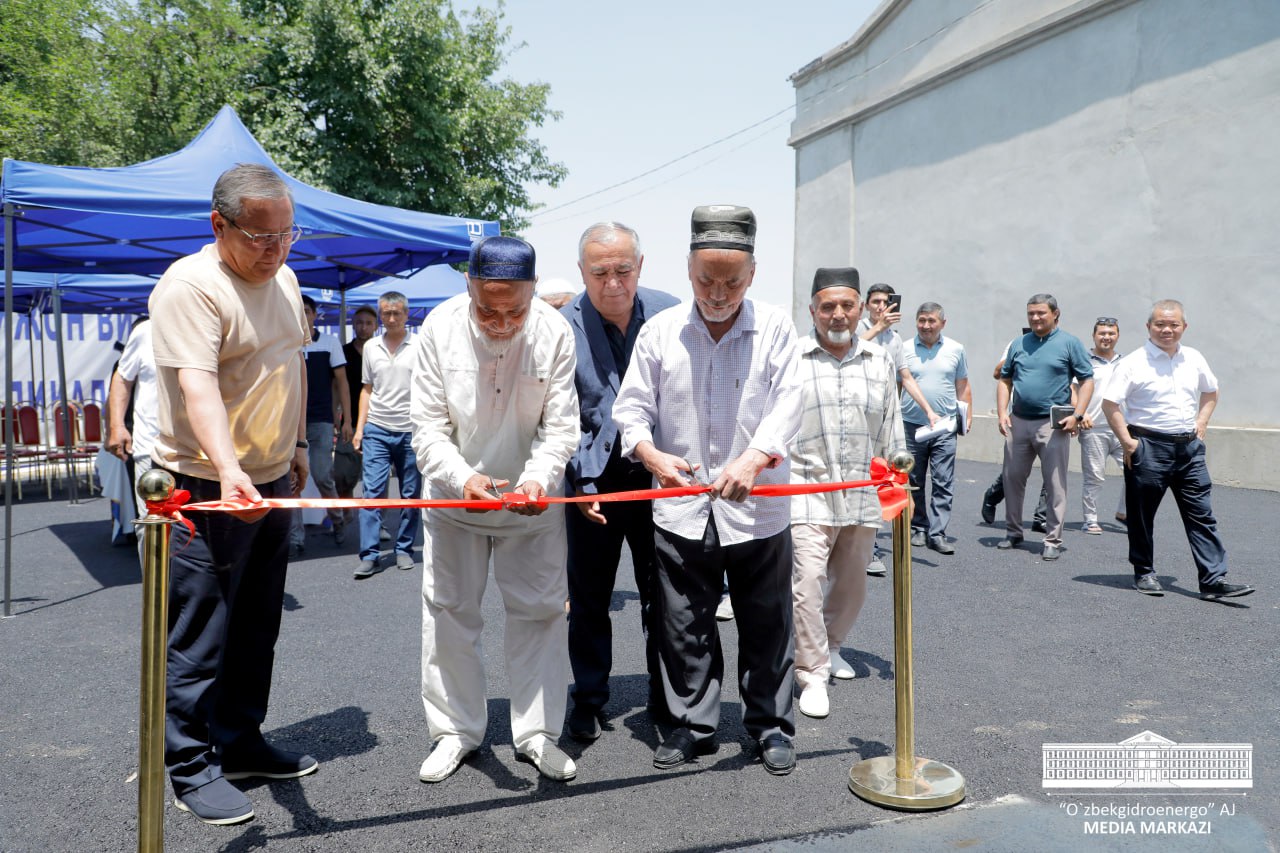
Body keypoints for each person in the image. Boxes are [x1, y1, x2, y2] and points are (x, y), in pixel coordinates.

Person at [148, 163, 315, 826]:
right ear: (217, 225)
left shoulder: (285, 277)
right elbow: (198, 387)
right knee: (200, 630)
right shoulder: (190, 287)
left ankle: (241, 739)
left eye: (285, 236)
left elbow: (289, 363)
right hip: (203, 483)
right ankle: (189, 764)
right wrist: (228, 470)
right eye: (258, 237)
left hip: (270, 477)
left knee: (256, 623)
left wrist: (297, 447)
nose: (274, 250)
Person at [613, 204, 803, 776]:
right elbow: (632, 410)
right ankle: (692, 726)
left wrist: (753, 457)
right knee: (684, 624)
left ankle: (770, 726)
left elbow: (790, 402)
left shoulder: (773, 327)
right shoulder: (661, 330)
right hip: (680, 507)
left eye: (732, 282)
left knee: (767, 621)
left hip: (759, 507)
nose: (718, 293)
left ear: (753, 275)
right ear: (687, 270)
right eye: (705, 280)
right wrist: (649, 454)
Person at [411, 235, 581, 784]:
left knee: (542, 615)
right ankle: (455, 732)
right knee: (450, 615)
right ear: (468, 286)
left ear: (533, 292)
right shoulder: (438, 327)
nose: (502, 322)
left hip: (532, 505)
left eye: (515, 309)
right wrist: (463, 478)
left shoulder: (554, 332)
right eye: (488, 309)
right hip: (454, 499)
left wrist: (536, 480)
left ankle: (536, 733)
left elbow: (561, 428)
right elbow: (427, 429)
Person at [561, 222, 679, 742]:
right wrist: (580, 483)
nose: (613, 283)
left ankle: (665, 695)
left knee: (665, 596)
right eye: (600, 272)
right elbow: (556, 417)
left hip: (660, 477)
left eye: (623, 270)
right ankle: (588, 697)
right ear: (582, 272)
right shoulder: (561, 325)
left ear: (641, 266)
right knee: (589, 599)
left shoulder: (672, 313)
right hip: (593, 481)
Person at [790, 267, 903, 719]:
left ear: (861, 309)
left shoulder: (879, 360)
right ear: (812, 309)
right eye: (827, 306)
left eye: (847, 306)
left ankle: (834, 645)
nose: (837, 314)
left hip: (863, 486)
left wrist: (899, 473)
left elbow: (892, 424)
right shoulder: (792, 358)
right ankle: (812, 673)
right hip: (807, 485)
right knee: (808, 581)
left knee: (853, 581)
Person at [1101, 300, 1255, 601]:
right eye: (1160, 324)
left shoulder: (1194, 358)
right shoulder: (1133, 362)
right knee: (1142, 516)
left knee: (1202, 515)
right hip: (1148, 447)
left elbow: (1211, 390)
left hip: (1189, 450)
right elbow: (1110, 403)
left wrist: (1202, 422)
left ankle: (1212, 580)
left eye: (1173, 324)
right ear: (1149, 327)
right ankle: (1144, 571)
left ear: (1184, 326)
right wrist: (1128, 442)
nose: (1167, 330)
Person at [995, 294, 1093, 560]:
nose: (1036, 318)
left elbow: (1086, 381)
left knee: (1055, 483)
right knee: (1012, 479)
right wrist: (1002, 412)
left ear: (1055, 314)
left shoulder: (1070, 343)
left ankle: (1052, 539)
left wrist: (1078, 414)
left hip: (1053, 425)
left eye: (1041, 313)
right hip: (1018, 422)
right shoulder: (1019, 343)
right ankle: (1013, 532)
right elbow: (1005, 380)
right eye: (1031, 314)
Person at [857, 282, 939, 574]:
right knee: (855, 480)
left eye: (886, 302)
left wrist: (929, 410)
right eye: (876, 301)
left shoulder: (895, 339)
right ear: (866, 305)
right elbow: (851, 350)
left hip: (885, 417)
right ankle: (853, 547)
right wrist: (877, 327)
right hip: (856, 418)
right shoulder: (858, 329)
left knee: (883, 479)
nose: (882, 307)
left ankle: (871, 547)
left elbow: (906, 377)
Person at [352, 292, 421, 578]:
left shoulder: (419, 345)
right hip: (377, 428)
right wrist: (359, 429)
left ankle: (404, 548)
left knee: (410, 493)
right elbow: (366, 389)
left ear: (406, 315)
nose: (391, 319)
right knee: (372, 493)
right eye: (386, 313)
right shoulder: (371, 347)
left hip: (411, 428)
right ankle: (369, 554)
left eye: (396, 313)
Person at [902, 302, 971, 554]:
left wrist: (967, 415)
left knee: (943, 480)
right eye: (922, 320)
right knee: (914, 479)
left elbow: (962, 384)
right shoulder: (904, 348)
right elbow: (899, 385)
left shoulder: (956, 349)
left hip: (944, 426)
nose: (926, 325)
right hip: (911, 425)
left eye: (931, 321)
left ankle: (938, 533)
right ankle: (919, 526)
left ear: (943, 322)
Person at [288, 294, 352, 553]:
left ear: (315, 315)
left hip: (321, 421)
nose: (303, 316)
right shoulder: (286, 344)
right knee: (291, 481)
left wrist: (346, 419)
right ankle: (296, 537)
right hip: (290, 423)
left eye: (306, 311)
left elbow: (342, 382)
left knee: (323, 476)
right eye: (298, 311)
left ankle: (337, 521)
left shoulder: (329, 343)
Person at [1078, 317, 1126, 534]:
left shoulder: (1125, 363)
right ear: (1094, 336)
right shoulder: (1083, 361)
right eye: (1102, 333)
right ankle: (1090, 519)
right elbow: (1071, 389)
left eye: (1111, 333)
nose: (1106, 337)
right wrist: (1081, 413)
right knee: (1095, 476)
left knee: (1136, 472)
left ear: (1117, 336)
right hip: (1093, 428)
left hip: (1122, 428)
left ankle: (1124, 513)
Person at [106, 317, 157, 518]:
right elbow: (121, 380)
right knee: (152, 526)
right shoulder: (146, 331)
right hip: (149, 445)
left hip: (203, 454)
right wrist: (115, 427)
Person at [334, 305, 379, 522]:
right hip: (348, 421)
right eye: (359, 322)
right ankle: (347, 511)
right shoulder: (343, 351)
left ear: (376, 326)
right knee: (343, 473)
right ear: (353, 325)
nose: (363, 327)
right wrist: (339, 416)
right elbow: (335, 386)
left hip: (379, 421)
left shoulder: (382, 352)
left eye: (368, 323)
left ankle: (376, 520)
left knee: (376, 478)